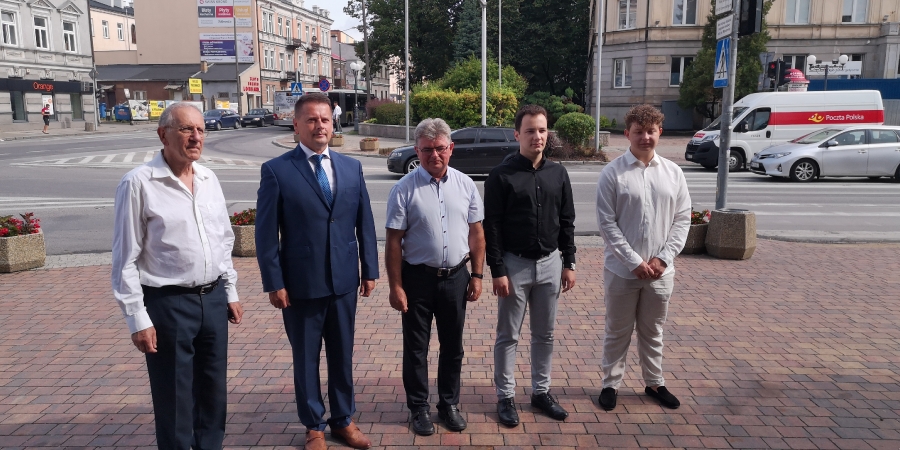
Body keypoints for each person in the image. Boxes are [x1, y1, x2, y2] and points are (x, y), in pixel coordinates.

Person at [111, 102, 244, 449]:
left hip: (212, 300)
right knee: (174, 397)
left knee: (213, 393)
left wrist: (230, 291)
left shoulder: (209, 178)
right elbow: (125, 258)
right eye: (186, 129)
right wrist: (137, 319)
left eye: (201, 130)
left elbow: (223, 239)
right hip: (168, 304)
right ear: (163, 135)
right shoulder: (139, 183)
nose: (196, 137)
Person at [255, 93, 378, 450]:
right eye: (311, 120)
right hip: (300, 285)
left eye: (324, 119)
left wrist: (369, 269)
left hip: (343, 281)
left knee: (342, 355)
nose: (319, 126)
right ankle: (314, 426)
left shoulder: (351, 167)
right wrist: (274, 282)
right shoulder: (277, 170)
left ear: (332, 123)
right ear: (296, 125)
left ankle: (343, 420)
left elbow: (364, 222)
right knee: (306, 358)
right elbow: (266, 234)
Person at [385, 118, 485, 436]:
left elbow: (477, 234)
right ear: (417, 150)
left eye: (440, 148)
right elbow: (393, 242)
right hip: (417, 279)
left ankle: (448, 404)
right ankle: (418, 408)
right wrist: (396, 286)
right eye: (427, 150)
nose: (434, 155)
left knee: (453, 346)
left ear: (450, 148)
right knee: (416, 347)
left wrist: (477, 275)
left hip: (456, 278)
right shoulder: (403, 189)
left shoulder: (466, 185)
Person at [484, 104, 576, 427]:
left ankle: (541, 392)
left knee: (544, 335)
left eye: (542, 130)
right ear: (517, 135)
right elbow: (492, 226)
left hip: (551, 264)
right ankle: (505, 396)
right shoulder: (501, 176)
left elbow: (567, 221)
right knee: (508, 335)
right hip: (514, 266)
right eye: (530, 131)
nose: (537, 136)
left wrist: (569, 262)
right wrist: (497, 270)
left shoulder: (558, 174)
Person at [594, 104, 691, 412]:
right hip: (622, 272)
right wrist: (634, 261)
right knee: (617, 330)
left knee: (653, 331)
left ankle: (654, 382)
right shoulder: (613, 173)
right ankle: (611, 384)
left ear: (660, 132)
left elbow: (683, 219)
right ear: (627, 134)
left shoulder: (673, 173)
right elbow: (606, 223)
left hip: (661, 273)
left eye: (651, 131)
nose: (645, 137)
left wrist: (663, 259)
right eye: (639, 132)